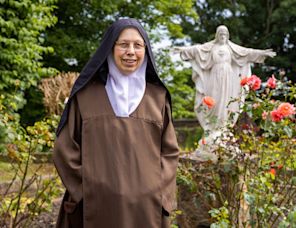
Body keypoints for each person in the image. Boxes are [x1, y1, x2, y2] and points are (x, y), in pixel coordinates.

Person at [53, 18, 179, 228]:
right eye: (123, 44)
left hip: (146, 208)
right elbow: (64, 149)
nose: (131, 51)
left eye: (138, 45)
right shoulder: (85, 96)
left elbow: (170, 152)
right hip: (94, 206)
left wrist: (155, 190)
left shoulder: (158, 98)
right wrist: (87, 189)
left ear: (145, 51)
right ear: (110, 49)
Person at [174, 25, 276, 150]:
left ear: (227, 36)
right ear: (217, 35)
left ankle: (223, 129)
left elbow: (247, 52)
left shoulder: (231, 48)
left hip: (227, 76)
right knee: (214, 101)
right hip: (214, 75)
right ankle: (212, 129)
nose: (222, 36)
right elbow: (197, 50)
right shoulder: (211, 47)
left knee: (226, 101)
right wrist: (183, 50)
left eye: (224, 34)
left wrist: (262, 53)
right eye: (220, 33)